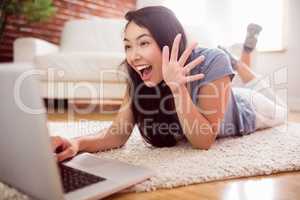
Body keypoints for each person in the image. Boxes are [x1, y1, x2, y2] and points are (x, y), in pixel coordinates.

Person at [51, 6, 287, 162]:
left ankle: (241, 64)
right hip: (222, 95)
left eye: (143, 43)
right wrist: (77, 142)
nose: (133, 56)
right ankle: (239, 66)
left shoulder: (213, 59)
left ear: (166, 40)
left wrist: (177, 88)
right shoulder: (138, 74)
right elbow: (117, 134)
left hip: (250, 108)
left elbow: (203, 141)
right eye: (127, 45)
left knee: (282, 110)